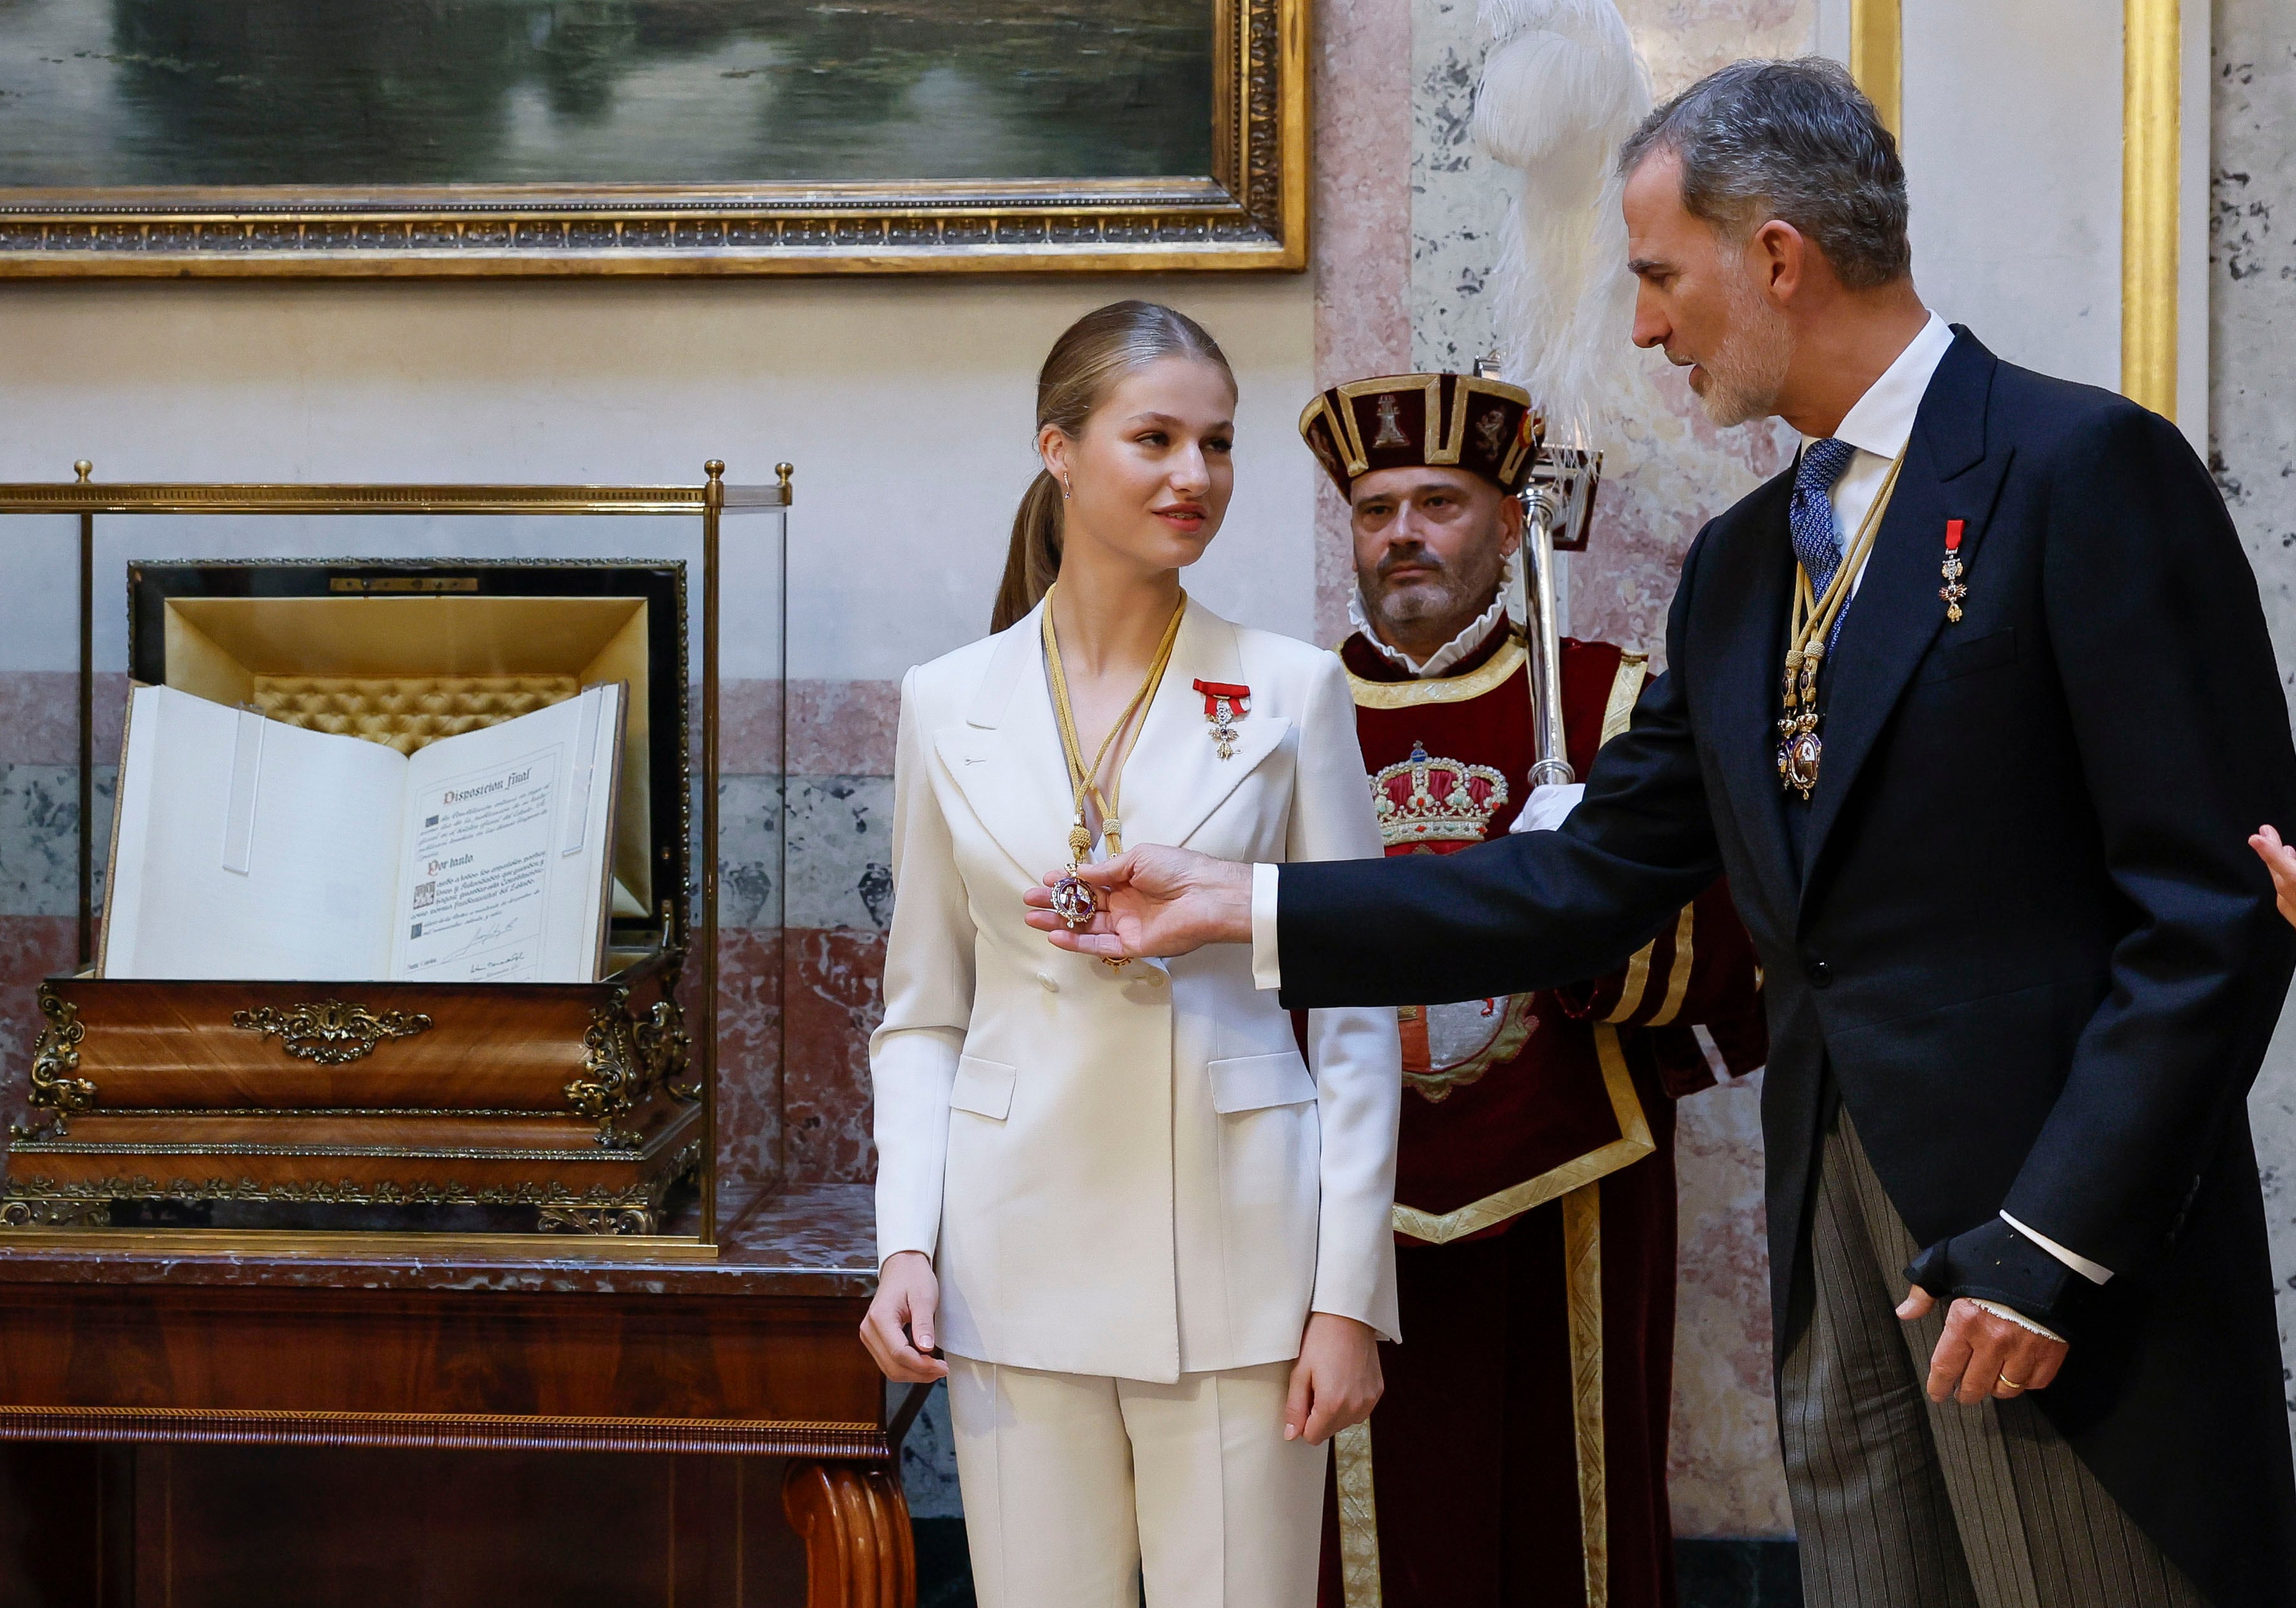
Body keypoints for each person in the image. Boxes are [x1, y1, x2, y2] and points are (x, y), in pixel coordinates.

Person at [1029, 62, 2296, 1608]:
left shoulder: (2080, 472)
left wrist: (2057, 1240)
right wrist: (1243, 903)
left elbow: (2212, 910)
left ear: (1775, 256)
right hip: (1834, 1225)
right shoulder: (1744, 562)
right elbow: (1585, 879)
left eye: (1656, 276)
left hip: (2044, 1238)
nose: (1642, 327)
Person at [861, 299, 1403, 1608]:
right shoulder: (947, 700)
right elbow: (924, 1012)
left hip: (1240, 1264)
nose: (1194, 477)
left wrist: (1348, 1296)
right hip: (1010, 1258)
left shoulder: (1289, 692)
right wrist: (904, 1244)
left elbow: (1352, 1017)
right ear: (1057, 450)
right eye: (1153, 438)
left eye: (1216, 445)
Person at [1300, 368, 1765, 1608]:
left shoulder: (1613, 707)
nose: (1401, 533)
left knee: (1569, 1535)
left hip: (1570, 1188)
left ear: (1513, 525)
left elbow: (1726, 960)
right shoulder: (1282, 717)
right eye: (1374, 508)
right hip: (1338, 1211)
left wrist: (1600, 898)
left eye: (1438, 504)